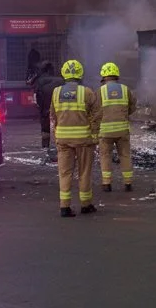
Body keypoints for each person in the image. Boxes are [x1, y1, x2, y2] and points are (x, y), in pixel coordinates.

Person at [53, 59, 99, 217]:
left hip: (63, 140)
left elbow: (53, 116)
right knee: (84, 172)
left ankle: (64, 207)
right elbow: (96, 115)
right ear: (80, 74)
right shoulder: (87, 92)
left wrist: (56, 134)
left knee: (65, 173)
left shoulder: (56, 92)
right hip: (83, 140)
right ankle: (86, 205)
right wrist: (94, 135)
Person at [96, 62, 137, 192]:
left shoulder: (100, 91)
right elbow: (132, 107)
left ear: (103, 76)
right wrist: (123, 115)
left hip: (105, 131)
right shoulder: (125, 89)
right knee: (125, 155)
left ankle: (106, 183)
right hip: (122, 129)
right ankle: (128, 183)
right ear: (116, 75)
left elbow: (95, 111)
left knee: (105, 156)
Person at [33, 63, 64, 150]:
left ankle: (45, 146)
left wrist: (40, 107)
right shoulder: (61, 80)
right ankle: (60, 144)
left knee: (45, 124)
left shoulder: (40, 80)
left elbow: (37, 96)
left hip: (45, 105)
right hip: (60, 107)